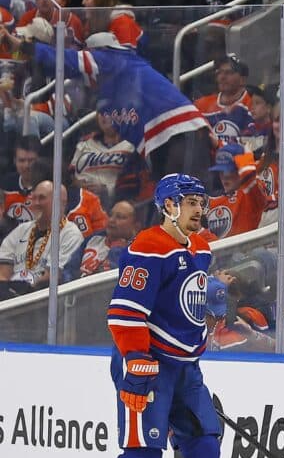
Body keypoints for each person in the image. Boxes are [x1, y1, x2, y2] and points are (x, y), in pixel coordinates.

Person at [87, 173, 227, 458]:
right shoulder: (147, 247)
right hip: (148, 365)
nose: (200, 210)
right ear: (169, 206)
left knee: (204, 443)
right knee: (143, 452)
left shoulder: (201, 247)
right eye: (191, 202)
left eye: (202, 201)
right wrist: (135, 361)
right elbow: (125, 312)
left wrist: (212, 298)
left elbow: (185, 302)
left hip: (186, 367)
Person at [5, 27, 213, 186]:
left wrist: (20, 45)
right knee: (170, 199)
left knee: (186, 195)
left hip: (182, 131)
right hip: (163, 139)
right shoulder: (110, 91)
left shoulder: (113, 59)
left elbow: (66, 60)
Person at [0, 179, 83, 291]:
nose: (36, 203)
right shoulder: (20, 230)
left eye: (42, 198)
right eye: (34, 198)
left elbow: (53, 277)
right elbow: (3, 273)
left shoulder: (70, 234)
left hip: (44, 300)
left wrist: (26, 291)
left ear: (60, 202)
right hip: (13, 299)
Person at [206, 143, 266, 239]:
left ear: (240, 168)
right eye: (221, 171)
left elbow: (249, 176)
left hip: (248, 252)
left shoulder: (252, 195)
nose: (225, 177)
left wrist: (246, 158)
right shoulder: (211, 202)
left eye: (230, 171)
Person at [66, 199, 137, 279]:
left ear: (135, 225)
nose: (112, 220)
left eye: (120, 217)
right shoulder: (93, 239)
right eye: (110, 215)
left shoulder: (136, 252)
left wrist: (116, 249)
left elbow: (111, 278)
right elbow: (69, 268)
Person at [194, 54, 255, 146]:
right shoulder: (201, 105)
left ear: (243, 80)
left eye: (228, 73)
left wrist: (219, 144)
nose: (222, 77)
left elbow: (256, 143)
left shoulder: (253, 105)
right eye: (219, 72)